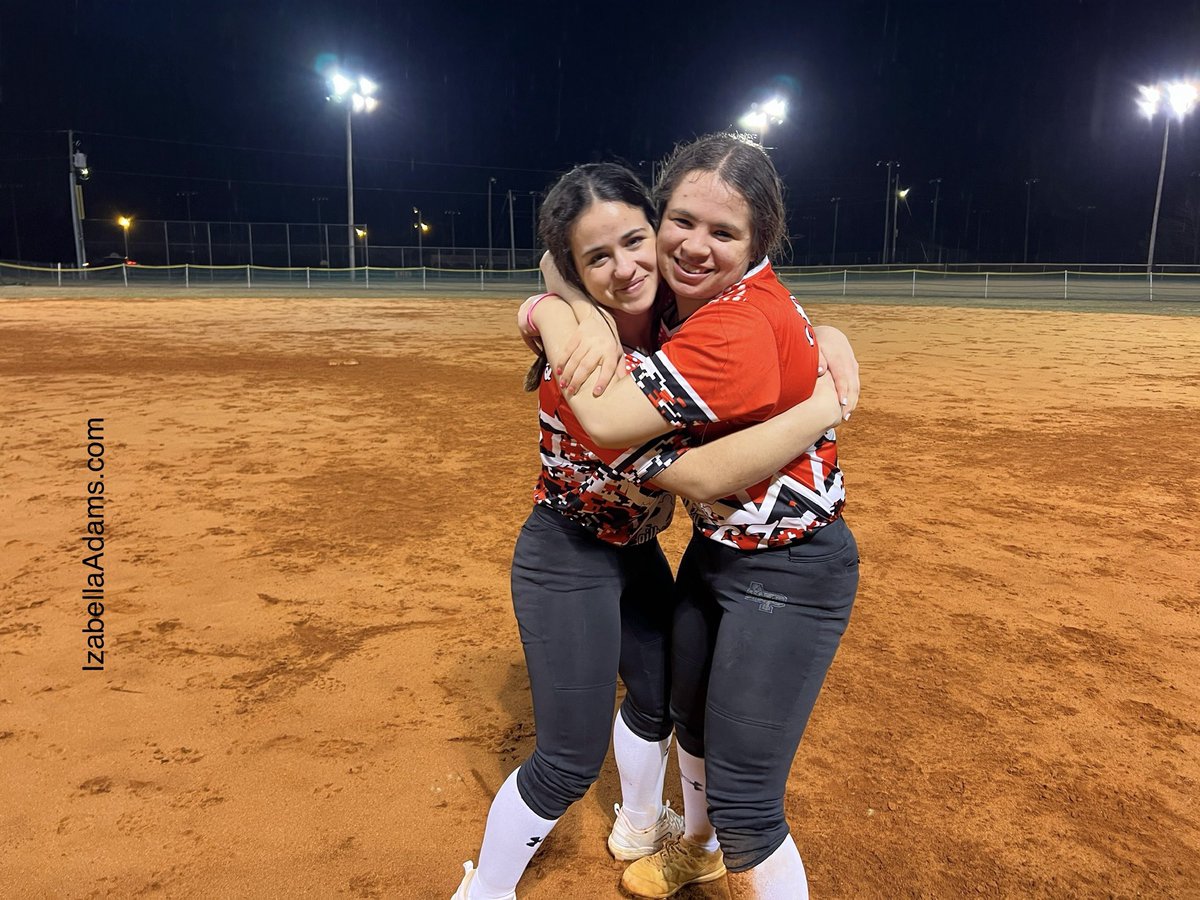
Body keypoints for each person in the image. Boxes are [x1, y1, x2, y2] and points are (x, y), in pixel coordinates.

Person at [453, 162, 850, 900]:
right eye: (596, 258)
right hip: (568, 554)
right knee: (566, 762)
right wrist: (825, 407)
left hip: (636, 554)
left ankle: (640, 825)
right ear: (576, 267)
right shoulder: (584, 367)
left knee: (659, 699)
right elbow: (697, 476)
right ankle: (485, 892)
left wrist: (825, 334)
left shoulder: (679, 311)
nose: (628, 266)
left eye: (636, 240)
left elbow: (759, 308)